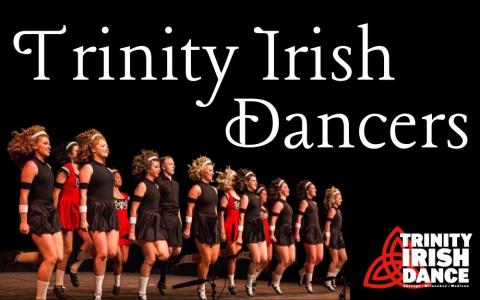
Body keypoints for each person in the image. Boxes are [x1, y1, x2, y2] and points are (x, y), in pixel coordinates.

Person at [7, 125, 63, 300]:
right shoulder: (31, 165)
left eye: (49, 143)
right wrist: (23, 221)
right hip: (37, 212)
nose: (49, 146)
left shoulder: (47, 166)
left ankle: (19, 257)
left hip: (50, 211)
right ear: (34, 145)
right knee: (51, 258)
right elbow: (23, 195)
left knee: (59, 256)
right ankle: (41, 297)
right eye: (45, 143)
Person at [77, 129, 118, 300]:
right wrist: (83, 218)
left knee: (112, 252)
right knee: (102, 254)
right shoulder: (88, 167)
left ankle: (81, 257)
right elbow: (82, 194)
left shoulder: (109, 171)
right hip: (96, 210)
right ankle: (98, 293)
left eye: (107, 145)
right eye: (102, 145)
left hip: (110, 210)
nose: (106, 148)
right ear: (93, 149)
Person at [52, 141, 93, 298]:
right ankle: (58, 284)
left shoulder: (83, 170)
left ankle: (73, 267)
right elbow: (56, 193)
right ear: (70, 154)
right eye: (77, 151)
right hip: (66, 209)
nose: (80, 153)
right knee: (67, 250)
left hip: (79, 210)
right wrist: (53, 213)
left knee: (90, 243)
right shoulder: (65, 170)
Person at [129, 150, 170, 300]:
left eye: (159, 166)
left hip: (156, 222)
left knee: (164, 254)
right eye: (156, 167)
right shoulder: (142, 185)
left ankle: (143, 245)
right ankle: (142, 293)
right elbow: (133, 209)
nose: (159, 169)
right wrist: (132, 231)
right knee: (150, 259)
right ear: (148, 168)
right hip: (145, 222)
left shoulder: (157, 186)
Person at [183, 156, 221, 300]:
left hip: (213, 224)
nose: (212, 172)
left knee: (214, 259)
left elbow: (215, 209)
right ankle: (201, 287)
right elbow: (189, 209)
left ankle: (189, 258)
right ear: (202, 171)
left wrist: (218, 226)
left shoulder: (214, 190)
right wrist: (188, 228)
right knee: (206, 258)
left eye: (212, 170)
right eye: (210, 170)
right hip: (201, 223)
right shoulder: (196, 188)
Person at [236, 169, 267, 297]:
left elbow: (256, 211)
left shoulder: (256, 197)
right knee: (256, 258)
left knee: (264, 258)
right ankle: (249, 284)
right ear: (247, 183)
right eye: (253, 181)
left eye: (256, 180)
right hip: (249, 228)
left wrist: (262, 214)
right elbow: (241, 217)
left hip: (259, 228)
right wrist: (239, 235)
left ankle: (244, 255)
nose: (256, 183)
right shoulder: (245, 196)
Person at [156, 156, 182, 296]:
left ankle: (163, 271)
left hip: (175, 217)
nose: (173, 166)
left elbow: (177, 204)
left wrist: (180, 220)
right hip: (165, 216)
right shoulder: (159, 182)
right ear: (163, 167)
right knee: (169, 249)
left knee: (177, 250)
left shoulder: (176, 184)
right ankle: (162, 279)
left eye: (174, 163)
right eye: (170, 164)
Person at [295, 180, 323, 293]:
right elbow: (298, 218)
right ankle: (308, 283)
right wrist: (297, 233)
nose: (315, 190)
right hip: (309, 231)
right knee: (312, 258)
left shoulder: (314, 203)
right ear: (307, 190)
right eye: (313, 188)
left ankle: (302, 271)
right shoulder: (304, 202)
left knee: (319, 258)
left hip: (317, 231)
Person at [216, 166, 241, 295]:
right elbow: (220, 215)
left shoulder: (237, 194)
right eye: (232, 178)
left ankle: (217, 253)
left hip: (237, 226)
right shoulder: (226, 195)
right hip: (228, 225)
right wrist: (222, 231)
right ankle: (231, 283)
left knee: (233, 255)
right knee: (233, 255)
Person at [268, 178, 295, 295]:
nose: (288, 189)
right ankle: (276, 283)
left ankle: (275, 274)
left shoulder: (287, 204)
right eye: (285, 187)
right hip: (280, 232)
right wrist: (272, 234)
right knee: (284, 260)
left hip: (289, 233)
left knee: (292, 259)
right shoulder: (279, 203)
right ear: (279, 190)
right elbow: (273, 220)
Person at [111, 169, 131, 295]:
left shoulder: (125, 196)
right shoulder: (108, 195)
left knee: (124, 260)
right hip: (114, 229)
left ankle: (116, 281)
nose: (120, 179)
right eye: (117, 177)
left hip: (125, 229)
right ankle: (117, 284)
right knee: (118, 258)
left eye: (120, 177)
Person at [323, 186, 347, 292]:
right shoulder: (332, 210)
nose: (341, 199)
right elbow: (327, 225)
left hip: (338, 234)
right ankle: (327, 280)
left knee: (344, 258)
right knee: (335, 259)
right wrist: (327, 238)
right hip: (332, 234)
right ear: (333, 199)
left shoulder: (338, 210)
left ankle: (332, 278)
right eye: (339, 198)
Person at [251, 184, 271, 289]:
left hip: (266, 234)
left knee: (267, 259)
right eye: (264, 194)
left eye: (266, 194)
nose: (266, 196)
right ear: (258, 195)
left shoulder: (265, 208)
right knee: (259, 258)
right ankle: (251, 280)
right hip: (258, 234)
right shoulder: (256, 207)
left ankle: (254, 278)